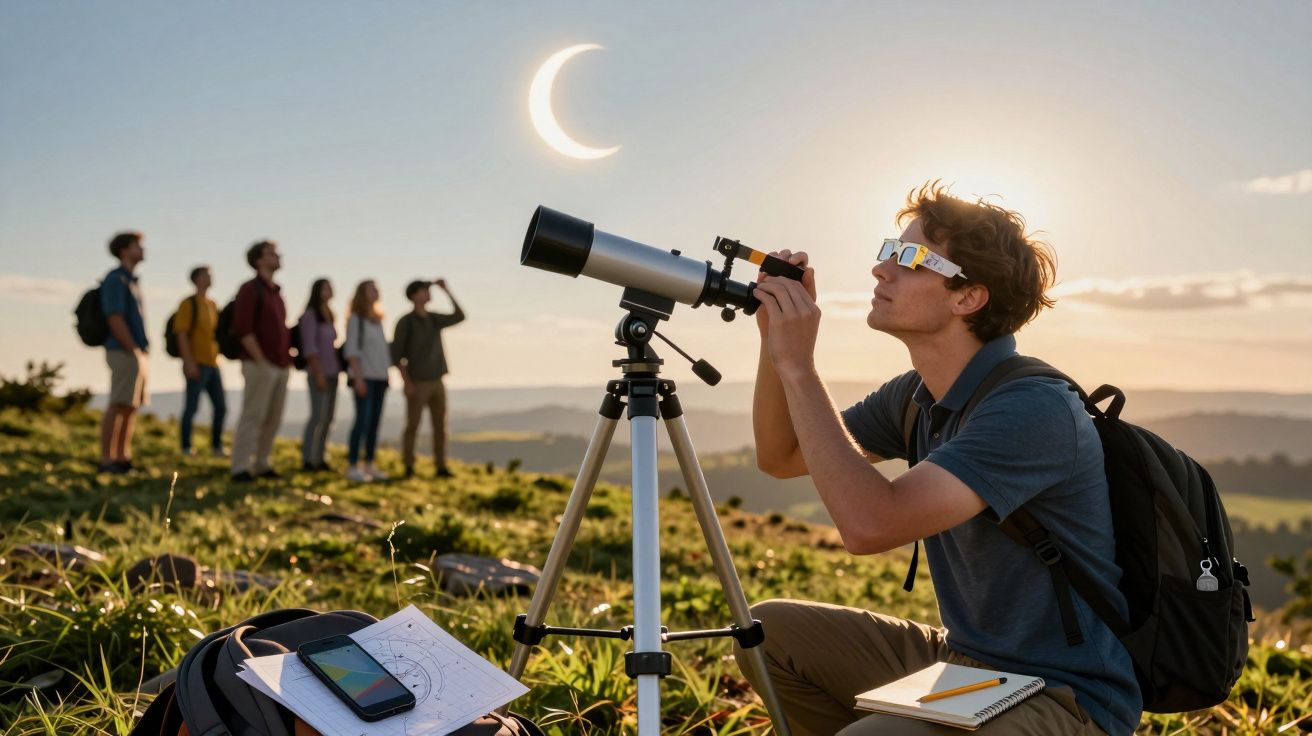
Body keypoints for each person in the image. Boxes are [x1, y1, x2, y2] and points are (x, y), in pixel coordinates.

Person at [736, 182, 1139, 736]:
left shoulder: (1032, 409)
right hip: (966, 666)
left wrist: (801, 368)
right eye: (887, 251)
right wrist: (773, 342)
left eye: (910, 258)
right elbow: (781, 456)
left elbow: (870, 526)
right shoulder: (917, 395)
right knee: (768, 633)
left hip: (1064, 695)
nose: (882, 270)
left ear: (968, 297)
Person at [391, 278, 466, 478]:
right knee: (413, 425)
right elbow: (397, 356)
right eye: (424, 290)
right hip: (417, 382)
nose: (428, 293)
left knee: (440, 426)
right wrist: (407, 383)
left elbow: (460, 316)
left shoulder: (433, 319)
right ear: (414, 295)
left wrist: (446, 290)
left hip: (438, 380)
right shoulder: (405, 322)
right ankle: (408, 466)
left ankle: (441, 466)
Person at [230, 240, 291, 482]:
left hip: (279, 364)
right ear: (258, 260)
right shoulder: (249, 289)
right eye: (271, 253)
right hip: (259, 365)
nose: (278, 256)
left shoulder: (276, 292)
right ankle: (241, 466)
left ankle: (262, 462)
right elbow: (243, 329)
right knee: (253, 414)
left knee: (272, 417)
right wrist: (262, 361)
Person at [99, 231, 149, 474]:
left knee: (131, 405)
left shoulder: (131, 280)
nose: (143, 250)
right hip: (123, 350)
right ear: (124, 250)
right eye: (137, 246)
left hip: (134, 351)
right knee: (118, 403)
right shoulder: (115, 280)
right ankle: (107, 460)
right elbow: (114, 317)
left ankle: (122, 457)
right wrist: (132, 349)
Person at [174, 265, 226, 457]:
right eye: (206, 275)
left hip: (213, 363)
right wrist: (189, 362)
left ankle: (216, 445)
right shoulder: (189, 304)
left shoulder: (212, 304)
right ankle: (186, 446)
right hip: (197, 362)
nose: (210, 278)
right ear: (196, 279)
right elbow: (181, 333)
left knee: (221, 407)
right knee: (192, 406)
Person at [343, 279, 391, 482]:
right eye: (371, 289)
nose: (376, 291)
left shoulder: (377, 320)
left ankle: (369, 463)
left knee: (374, 423)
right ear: (362, 294)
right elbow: (352, 351)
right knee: (362, 421)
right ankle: (353, 464)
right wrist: (358, 379)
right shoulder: (356, 320)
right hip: (365, 378)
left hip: (380, 378)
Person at [298, 278, 340, 472]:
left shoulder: (330, 315)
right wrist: (318, 373)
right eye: (326, 287)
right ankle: (308, 459)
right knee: (317, 416)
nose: (330, 290)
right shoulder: (310, 316)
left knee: (329, 418)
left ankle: (320, 457)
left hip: (333, 372)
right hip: (319, 373)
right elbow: (310, 348)